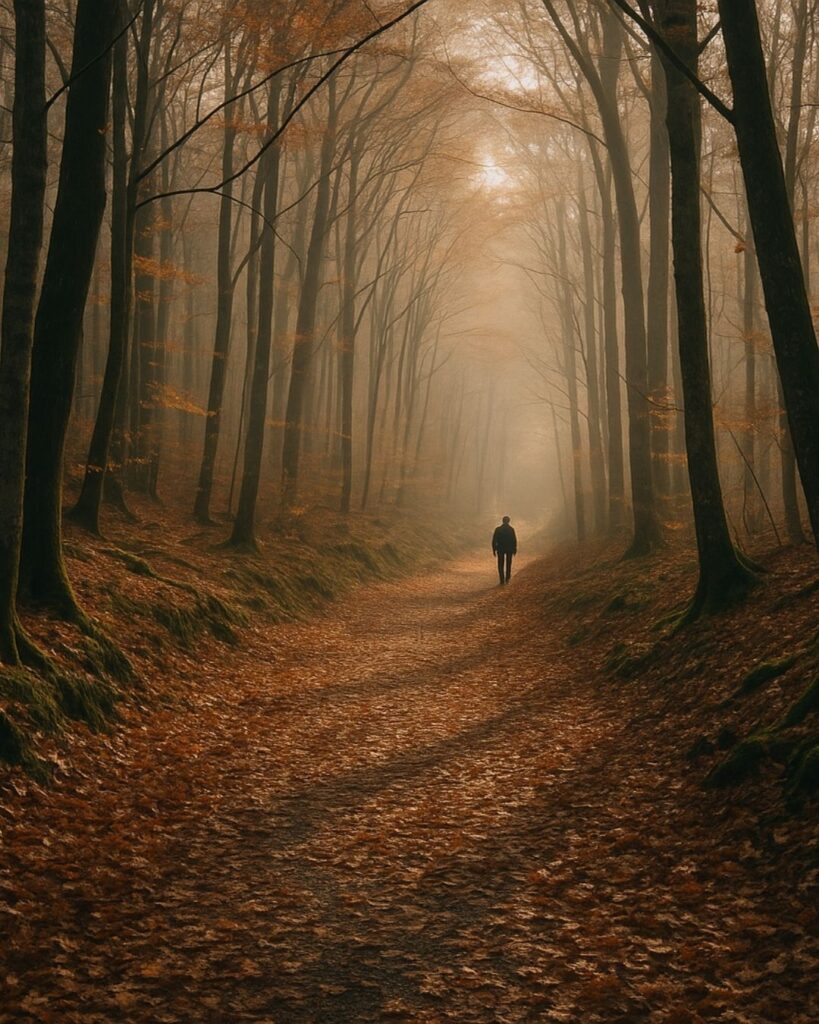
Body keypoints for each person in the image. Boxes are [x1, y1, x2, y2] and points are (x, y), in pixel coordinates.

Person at [492, 516, 517, 585]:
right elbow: (514, 540)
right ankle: (508, 578)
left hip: (500, 549)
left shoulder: (498, 529)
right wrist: (514, 549)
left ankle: (502, 579)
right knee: (509, 563)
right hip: (509, 549)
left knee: (500, 564)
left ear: (502, 521)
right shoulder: (511, 529)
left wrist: (494, 549)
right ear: (509, 521)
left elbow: (494, 540)